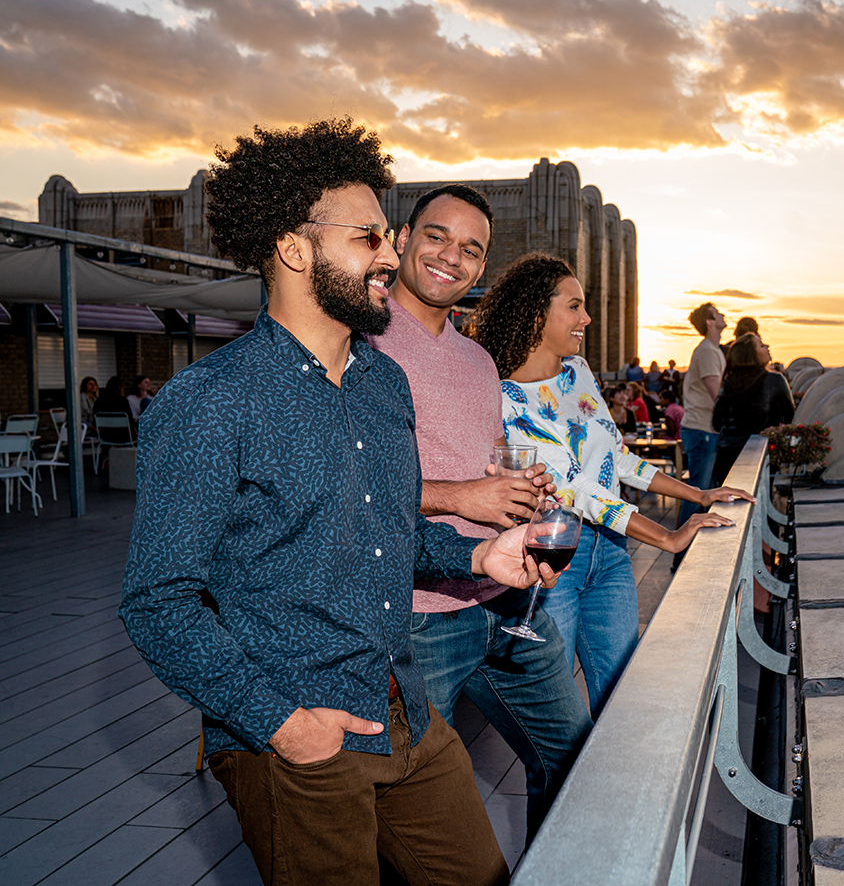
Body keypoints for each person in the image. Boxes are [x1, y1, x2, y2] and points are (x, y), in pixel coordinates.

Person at [119, 119, 556, 886]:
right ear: (294, 247)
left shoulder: (383, 384)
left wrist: (477, 554)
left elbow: (393, 535)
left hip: (409, 714)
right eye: (368, 238)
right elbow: (158, 603)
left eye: (388, 236)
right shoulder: (210, 404)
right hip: (299, 741)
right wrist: (278, 725)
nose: (391, 256)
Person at [367, 183, 591, 845]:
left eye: (470, 249)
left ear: (482, 267)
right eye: (436, 236)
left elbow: (490, 455)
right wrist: (461, 495)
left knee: (574, 758)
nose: (451, 256)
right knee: (405, 804)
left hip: (505, 599)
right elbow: (352, 484)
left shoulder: (476, 358)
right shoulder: (362, 344)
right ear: (402, 240)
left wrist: (516, 480)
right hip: (419, 613)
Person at [470, 253, 754, 718]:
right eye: (575, 306)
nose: (587, 317)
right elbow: (574, 493)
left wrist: (698, 493)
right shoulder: (501, 396)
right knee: (556, 717)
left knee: (620, 698)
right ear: (538, 313)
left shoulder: (578, 371)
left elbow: (616, 460)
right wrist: (665, 535)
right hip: (553, 562)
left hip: (612, 557)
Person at [675, 302, 727, 569]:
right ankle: (682, 556)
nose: (723, 316)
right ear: (709, 321)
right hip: (702, 430)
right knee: (698, 494)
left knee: (701, 491)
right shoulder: (707, 351)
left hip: (704, 430)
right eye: (718, 313)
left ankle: (686, 554)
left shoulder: (712, 350)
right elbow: (717, 395)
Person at [711, 333, 795, 485]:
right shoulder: (775, 380)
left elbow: (716, 423)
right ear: (752, 355)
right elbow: (792, 420)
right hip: (761, 457)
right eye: (762, 345)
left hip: (727, 457)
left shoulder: (728, 383)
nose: (767, 347)